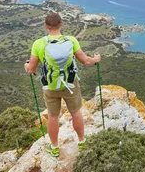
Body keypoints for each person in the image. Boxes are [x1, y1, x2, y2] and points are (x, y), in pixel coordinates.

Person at [24, 12, 101, 157]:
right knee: (75, 112)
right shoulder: (71, 40)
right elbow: (85, 61)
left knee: (53, 117)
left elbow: (31, 70)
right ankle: (82, 141)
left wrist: (26, 66)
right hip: (70, 85)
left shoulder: (39, 44)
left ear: (46, 26)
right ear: (62, 24)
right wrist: (96, 59)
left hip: (50, 87)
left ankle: (54, 147)